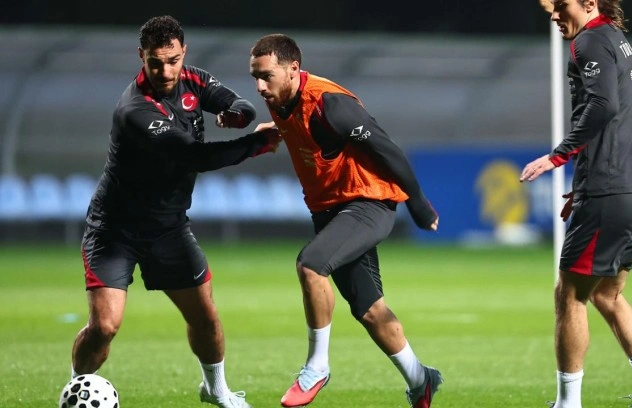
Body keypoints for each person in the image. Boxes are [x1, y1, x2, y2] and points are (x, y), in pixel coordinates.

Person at [70, 15, 281, 408]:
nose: (165, 71)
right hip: (114, 231)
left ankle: (216, 390)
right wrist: (257, 143)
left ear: (183, 52)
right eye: (155, 63)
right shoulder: (135, 110)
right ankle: (77, 389)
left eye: (173, 61)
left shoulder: (194, 79)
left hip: (168, 229)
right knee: (104, 327)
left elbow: (239, 104)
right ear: (141, 56)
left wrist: (238, 116)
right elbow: (194, 156)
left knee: (206, 318)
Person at [248, 34, 443, 408]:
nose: (259, 86)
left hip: (368, 202)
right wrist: (275, 131)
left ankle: (317, 366)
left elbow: (385, 148)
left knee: (311, 265)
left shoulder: (331, 104)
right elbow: (303, 130)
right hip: (329, 210)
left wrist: (418, 203)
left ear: (293, 69)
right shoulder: (279, 98)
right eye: (255, 77)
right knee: (370, 311)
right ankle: (421, 379)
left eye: (266, 76)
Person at [520, 1, 632, 408]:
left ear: (589, 3)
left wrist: (558, 156)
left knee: (569, 295)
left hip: (611, 191)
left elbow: (604, 106)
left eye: (560, 6)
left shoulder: (588, 41)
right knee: (607, 294)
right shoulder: (616, 39)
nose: (553, 14)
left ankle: (567, 403)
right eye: (548, 7)